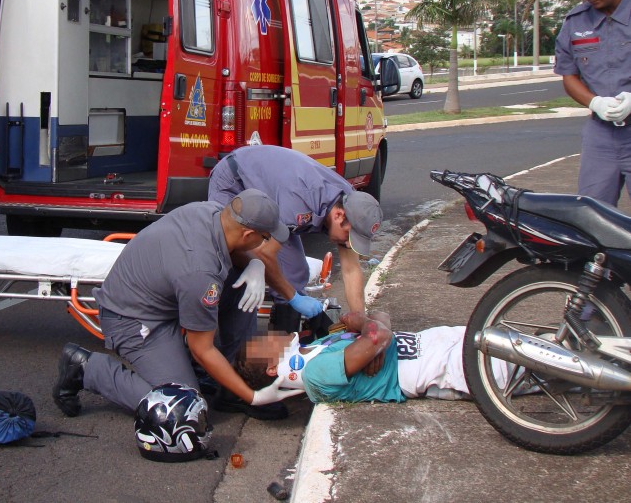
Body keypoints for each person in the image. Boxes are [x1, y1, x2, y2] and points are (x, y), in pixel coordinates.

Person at [52, 189, 304, 421]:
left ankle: (232, 385)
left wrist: (255, 264)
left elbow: (230, 253)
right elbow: (202, 349)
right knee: (184, 407)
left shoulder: (211, 211)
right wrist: (255, 398)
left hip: (163, 300)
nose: (266, 243)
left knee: (243, 280)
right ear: (248, 234)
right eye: (265, 237)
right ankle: (87, 369)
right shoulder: (200, 271)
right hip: (132, 320)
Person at [207, 145, 383, 360]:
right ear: (339, 215)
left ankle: (284, 352)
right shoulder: (299, 203)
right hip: (236, 180)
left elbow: (351, 269)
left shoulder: (351, 205)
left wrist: (359, 324)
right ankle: (236, 365)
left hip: (276, 193)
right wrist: (293, 298)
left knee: (296, 273)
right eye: (349, 236)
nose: (349, 243)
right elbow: (264, 254)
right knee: (241, 270)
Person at [235, 311, 513, 404]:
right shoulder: (315, 372)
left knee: (541, 348)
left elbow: (382, 321)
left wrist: (371, 331)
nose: (268, 335)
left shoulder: (316, 348)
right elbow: (378, 335)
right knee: (539, 369)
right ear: (273, 368)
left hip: (437, 342)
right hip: (441, 369)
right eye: (262, 343)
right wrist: (364, 326)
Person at [556, 0, 631, 206]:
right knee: (591, 215)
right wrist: (595, 102)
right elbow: (569, 76)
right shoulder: (576, 22)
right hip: (602, 134)